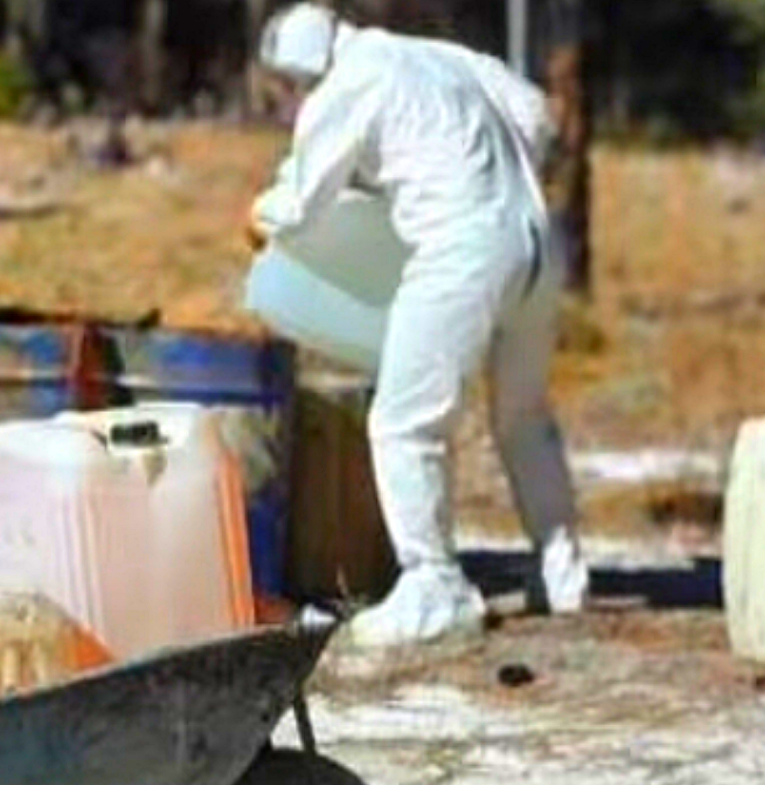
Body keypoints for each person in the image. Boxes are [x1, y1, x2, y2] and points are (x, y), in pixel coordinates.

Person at [250, 3, 588, 647]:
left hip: (462, 250)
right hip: (538, 242)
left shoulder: (345, 88)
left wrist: (258, 217)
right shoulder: (435, 56)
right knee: (523, 418)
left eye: (285, 90)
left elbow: (300, 204)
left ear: (296, 76)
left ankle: (435, 587)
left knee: (403, 422)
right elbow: (536, 116)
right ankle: (563, 571)